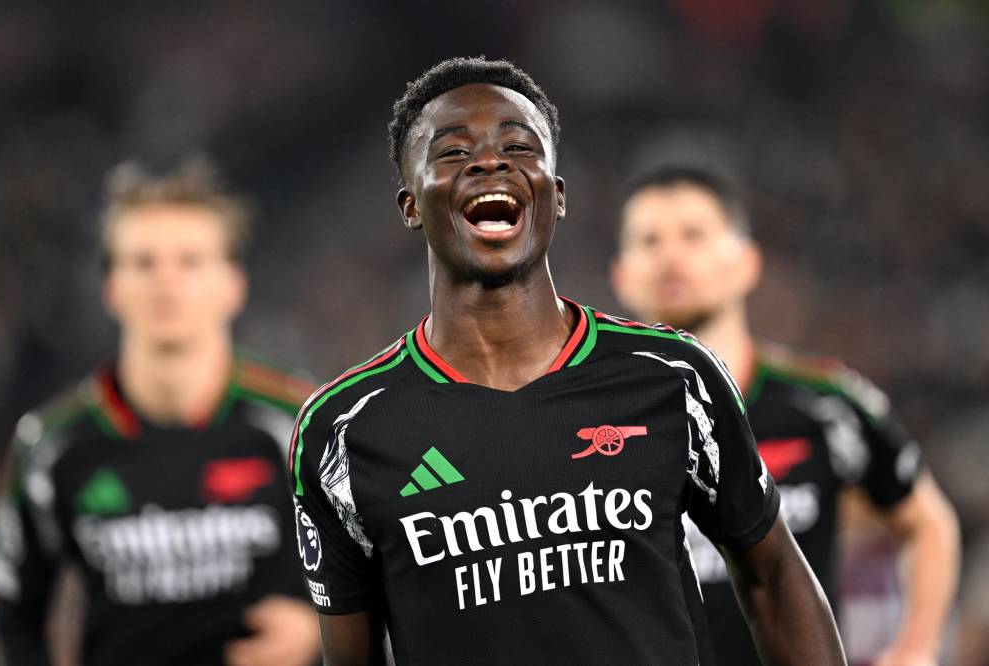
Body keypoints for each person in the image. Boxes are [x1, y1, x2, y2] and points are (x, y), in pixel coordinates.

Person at [288, 56, 845, 666]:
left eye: (519, 146)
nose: (489, 161)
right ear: (411, 205)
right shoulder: (344, 429)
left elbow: (773, 579)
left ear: (555, 196)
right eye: (451, 152)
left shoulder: (672, 376)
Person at [610, 165, 960, 666]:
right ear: (621, 275)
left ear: (746, 263)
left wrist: (916, 649)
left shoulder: (823, 405)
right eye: (649, 240)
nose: (671, 257)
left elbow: (928, 523)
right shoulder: (597, 422)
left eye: (694, 235)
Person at [0, 158, 323, 666]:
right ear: (111, 287)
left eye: (190, 261)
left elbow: (385, 568)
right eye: (143, 262)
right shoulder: (52, 445)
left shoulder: (304, 421)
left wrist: (320, 628)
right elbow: (15, 616)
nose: (166, 282)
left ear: (233, 283)